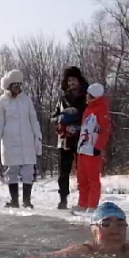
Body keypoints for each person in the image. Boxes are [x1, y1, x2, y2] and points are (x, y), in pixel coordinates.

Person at [0, 69, 43, 208]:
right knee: (12, 171)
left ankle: (27, 200)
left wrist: (38, 137)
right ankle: (14, 200)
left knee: (28, 170)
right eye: (14, 84)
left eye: (19, 84)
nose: (17, 87)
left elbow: (34, 120)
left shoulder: (26, 100)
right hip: (10, 142)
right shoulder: (2, 102)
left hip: (27, 140)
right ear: (9, 86)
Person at [51, 66, 89, 210]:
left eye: (74, 80)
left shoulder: (87, 96)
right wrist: (61, 116)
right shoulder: (62, 99)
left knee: (83, 171)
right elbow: (53, 117)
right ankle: (63, 199)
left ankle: (84, 200)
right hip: (65, 138)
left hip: (81, 138)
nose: (71, 83)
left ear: (79, 80)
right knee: (63, 172)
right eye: (69, 80)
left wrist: (77, 114)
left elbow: (91, 115)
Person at [75, 83, 112, 211]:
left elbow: (105, 129)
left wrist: (99, 146)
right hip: (83, 148)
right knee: (82, 178)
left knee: (93, 179)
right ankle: (82, 203)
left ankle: (92, 205)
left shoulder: (101, 109)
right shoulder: (87, 109)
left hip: (93, 150)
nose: (86, 96)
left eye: (88, 94)